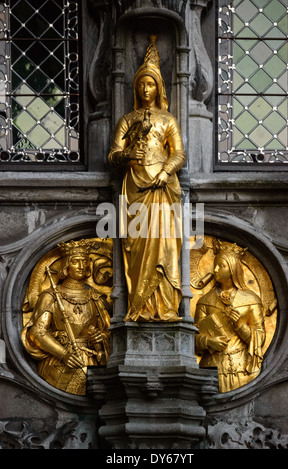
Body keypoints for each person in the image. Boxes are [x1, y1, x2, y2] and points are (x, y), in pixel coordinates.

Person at [108, 35, 185, 322]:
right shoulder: (127, 120)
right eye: (141, 83)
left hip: (163, 189)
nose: (146, 88)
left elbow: (179, 154)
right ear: (136, 87)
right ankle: (139, 306)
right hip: (135, 188)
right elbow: (112, 155)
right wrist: (128, 153)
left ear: (159, 87)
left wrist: (165, 172)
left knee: (165, 244)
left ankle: (165, 307)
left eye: (151, 83)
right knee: (137, 247)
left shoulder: (168, 120)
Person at [21, 240, 111, 396]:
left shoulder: (96, 297)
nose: (81, 266)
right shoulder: (50, 296)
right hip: (61, 361)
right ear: (66, 266)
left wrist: (100, 338)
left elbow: (111, 330)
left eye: (84, 261)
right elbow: (37, 332)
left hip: (94, 359)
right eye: (76, 262)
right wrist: (63, 354)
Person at [194, 240, 266, 393]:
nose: (215, 269)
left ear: (233, 269)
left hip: (242, 368)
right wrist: (208, 341)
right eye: (215, 265)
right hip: (211, 369)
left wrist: (240, 326)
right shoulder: (205, 301)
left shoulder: (251, 300)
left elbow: (260, 336)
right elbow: (193, 337)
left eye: (221, 265)